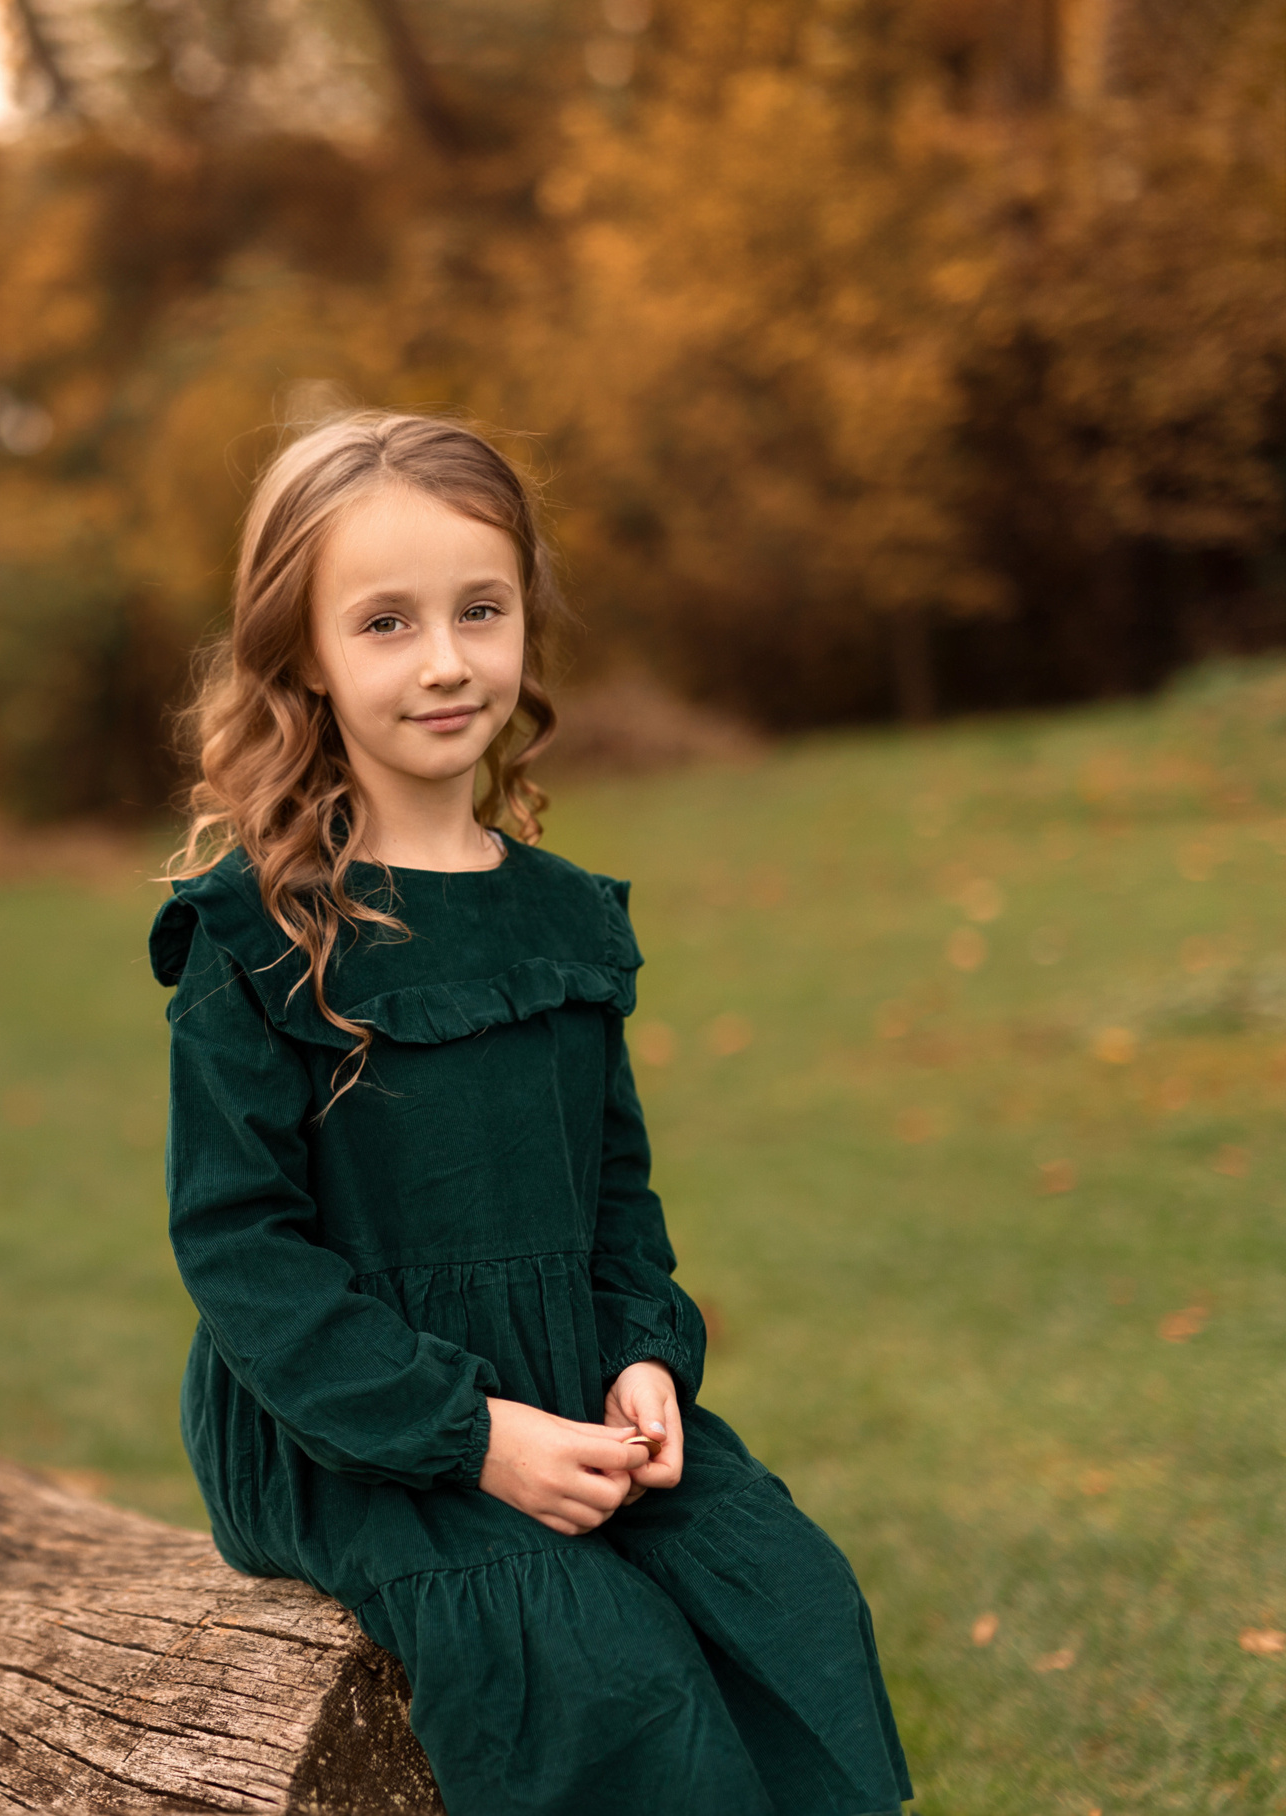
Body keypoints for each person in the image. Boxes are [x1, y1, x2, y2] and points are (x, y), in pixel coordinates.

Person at [151, 412, 912, 1815]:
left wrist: (643, 1357)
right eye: (385, 622)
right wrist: (474, 1436)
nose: (446, 660)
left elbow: (616, 1195)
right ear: (304, 656)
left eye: (480, 610)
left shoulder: (564, 918)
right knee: (598, 1666)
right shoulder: (253, 936)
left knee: (785, 1591)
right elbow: (241, 1251)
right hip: (346, 1421)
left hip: (568, 1376)